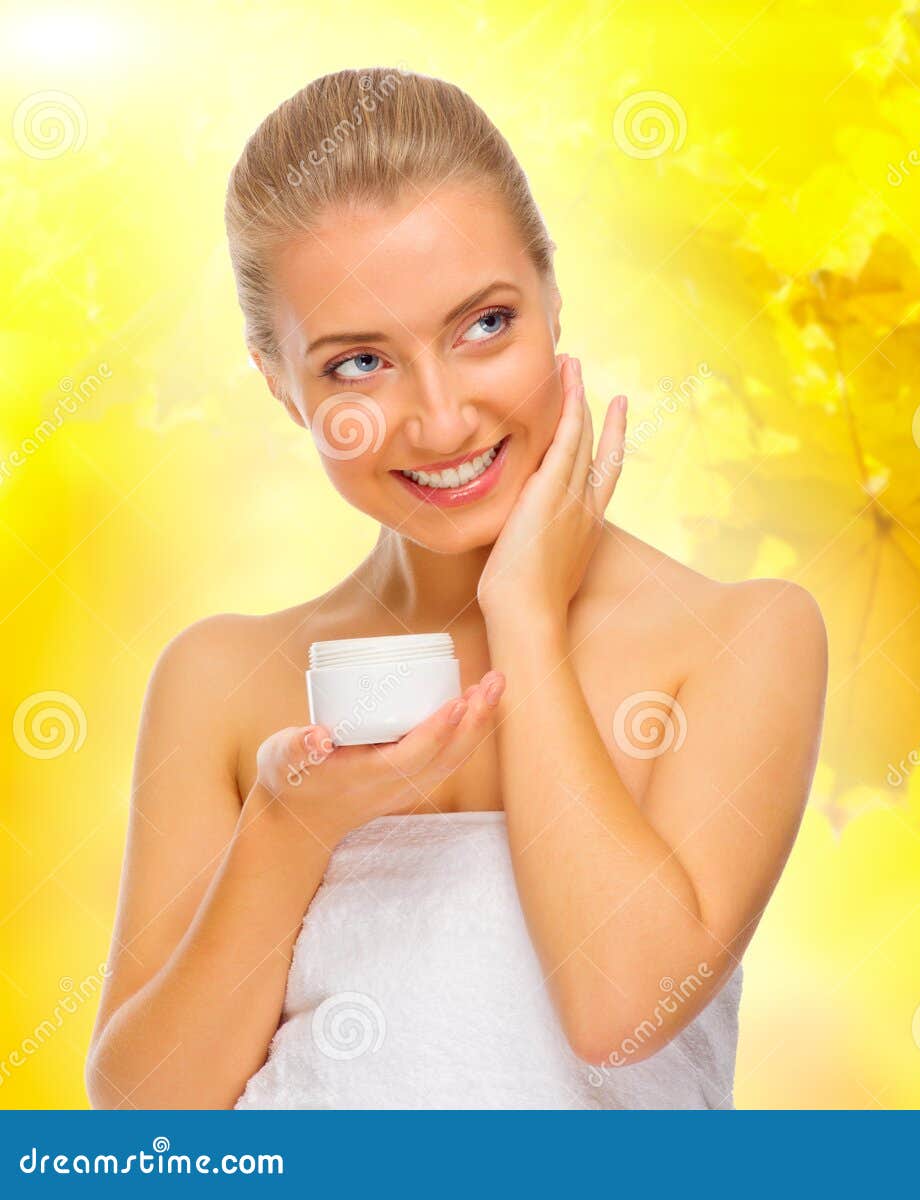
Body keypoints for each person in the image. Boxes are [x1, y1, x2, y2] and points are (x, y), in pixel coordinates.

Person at [83, 67, 827, 1109]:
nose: (439, 420)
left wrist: (521, 615)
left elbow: (624, 1013)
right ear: (278, 385)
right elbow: (144, 1115)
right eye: (357, 365)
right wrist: (292, 827)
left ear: (552, 297)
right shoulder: (222, 678)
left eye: (483, 326)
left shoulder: (740, 640)